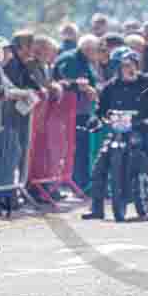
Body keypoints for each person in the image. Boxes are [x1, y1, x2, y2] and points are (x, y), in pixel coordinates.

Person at [82, 51, 148, 219]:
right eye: (124, 66)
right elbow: (100, 109)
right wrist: (95, 119)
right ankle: (97, 209)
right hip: (118, 132)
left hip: (143, 129)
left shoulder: (147, 82)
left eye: (131, 65)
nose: (128, 69)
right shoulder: (111, 86)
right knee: (99, 166)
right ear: (118, 68)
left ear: (137, 65)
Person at [54, 34, 100, 192]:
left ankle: (80, 183)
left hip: (81, 111)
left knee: (81, 148)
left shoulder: (83, 60)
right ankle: (79, 183)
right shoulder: (71, 60)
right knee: (78, 149)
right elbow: (64, 82)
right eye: (95, 50)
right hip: (71, 112)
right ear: (89, 49)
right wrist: (82, 87)